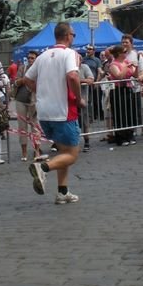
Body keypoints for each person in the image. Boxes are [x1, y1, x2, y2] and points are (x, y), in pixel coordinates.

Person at [24, 22, 83, 204]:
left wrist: (40, 90)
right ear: (67, 36)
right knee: (72, 154)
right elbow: (73, 76)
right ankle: (43, 167)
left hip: (44, 112)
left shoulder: (42, 56)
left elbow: (26, 79)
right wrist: (78, 97)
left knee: (63, 152)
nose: (74, 38)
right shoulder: (69, 54)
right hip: (63, 110)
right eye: (73, 35)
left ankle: (62, 192)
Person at [13, 51, 42, 162]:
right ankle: (24, 152)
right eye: (29, 58)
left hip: (34, 100)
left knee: (35, 126)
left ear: (36, 59)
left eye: (32, 58)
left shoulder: (40, 69)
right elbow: (16, 82)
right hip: (21, 99)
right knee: (22, 127)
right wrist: (25, 79)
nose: (30, 60)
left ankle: (37, 151)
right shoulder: (22, 68)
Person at [108, 44, 138, 146]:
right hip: (118, 90)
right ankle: (120, 137)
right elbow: (119, 76)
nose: (126, 54)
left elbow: (135, 75)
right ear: (119, 54)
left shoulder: (126, 62)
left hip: (128, 88)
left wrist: (136, 66)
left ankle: (130, 134)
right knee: (120, 113)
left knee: (129, 113)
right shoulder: (113, 64)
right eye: (124, 52)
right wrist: (126, 67)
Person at [77, 54, 94, 151]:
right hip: (70, 100)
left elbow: (91, 79)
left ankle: (87, 141)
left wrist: (79, 81)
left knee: (85, 122)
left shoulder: (84, 67)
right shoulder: (69, 68)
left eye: (78, 59)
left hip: (83, 99)